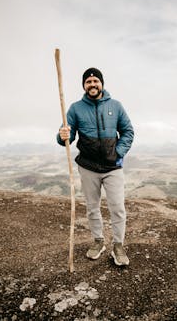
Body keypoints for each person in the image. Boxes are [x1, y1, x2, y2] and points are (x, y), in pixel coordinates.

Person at [57, 68, 134, 266]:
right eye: (88, 82)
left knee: (117, 208)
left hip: (113, 167)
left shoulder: (115, 106)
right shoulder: (75, 108)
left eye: (95, 81)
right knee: (92, 208)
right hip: (88, 167)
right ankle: (98, 242)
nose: (92, 84)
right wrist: (62, 135)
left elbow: (128, 131)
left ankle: (118, 246)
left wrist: (118, 152)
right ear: (84, 85)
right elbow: (67, 136)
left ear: (102, 83)